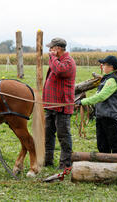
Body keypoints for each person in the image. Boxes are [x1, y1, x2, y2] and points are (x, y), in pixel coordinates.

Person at [76, 55, 117, 153]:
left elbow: (101, 96)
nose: (102, 66)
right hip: (102, 116)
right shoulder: (107, 78)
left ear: (111, 67)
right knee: (102, 146)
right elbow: (99, 95)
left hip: (111, 118)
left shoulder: (112, 80)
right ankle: (105, 166)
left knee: (116, 146)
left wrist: (83, 101)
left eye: (104, 64)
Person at [43, 37, 76, 170]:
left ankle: (65, 164)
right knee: (48, 134)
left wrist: (53, 58)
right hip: (51, 105)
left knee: (63, 136)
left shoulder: (68, 62)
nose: (49, 51)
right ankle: (47, 160)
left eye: (51, 48)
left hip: (62, 106)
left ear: (57, 49)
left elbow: (60, 71)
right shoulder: (56, 60)